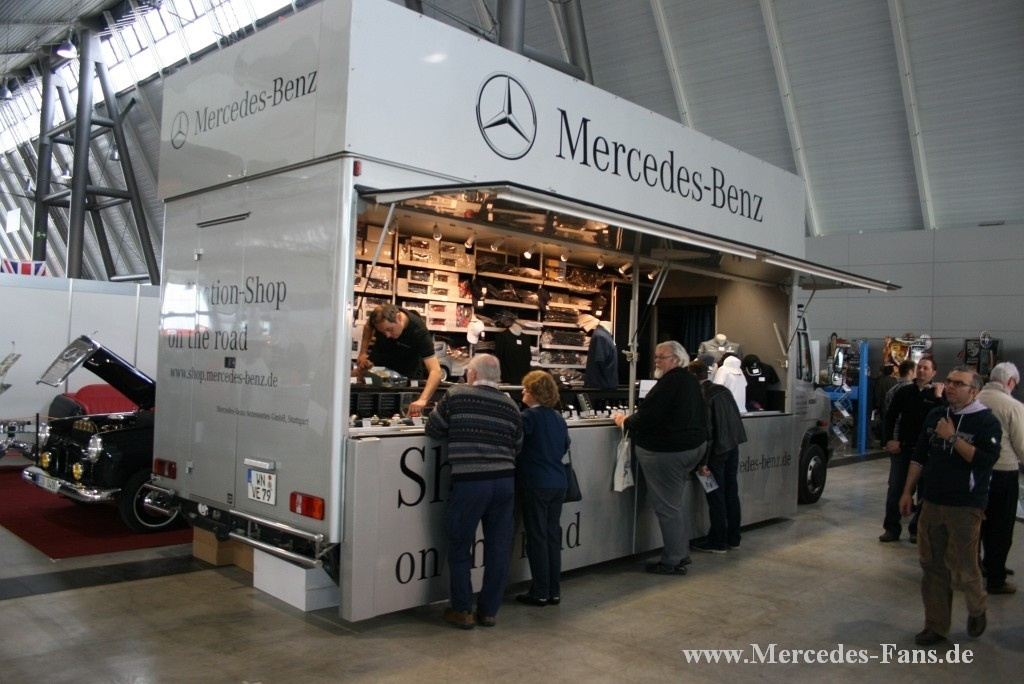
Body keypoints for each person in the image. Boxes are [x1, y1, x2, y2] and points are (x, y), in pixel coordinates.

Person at [899, 366, 1001, 646]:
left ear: (974, 391)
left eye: (959, 383)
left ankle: (977, 607)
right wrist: (907, 491)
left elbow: (985, 461)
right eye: (950, 381)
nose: (951, 387)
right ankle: (936, 625)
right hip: (932, 502)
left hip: (965, 505)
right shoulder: (936, 415)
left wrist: (952, 438)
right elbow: (920, 456)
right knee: (932, 565)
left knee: (964, 565)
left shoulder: (986, 421)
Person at [425, 354, 523, 629]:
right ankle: (489, 611)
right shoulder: (511, 405)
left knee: (459, 545)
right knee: (498, 548)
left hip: (470, 482)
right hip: (505, 482)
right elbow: (518, 444)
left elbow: (433, 428)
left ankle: (462, 610)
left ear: (472, 374)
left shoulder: (456, 395)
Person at [613, 341, 708, 574]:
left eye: (661, 357)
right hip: (692, 447)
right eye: (656, 356)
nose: (656, 361)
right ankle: (680, 553)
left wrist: (625, 421)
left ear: (675, 359)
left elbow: (648, 416)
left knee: (667, 508)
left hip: (667, 452)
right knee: (674, 505)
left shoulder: (670, 383)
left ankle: (673, 560)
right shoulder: (690, 381)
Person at [515, 370, 571, 607]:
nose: (523, 393)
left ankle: (539, 591)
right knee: (552, 537)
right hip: (558, 481)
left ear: (534, 393)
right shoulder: (557, 417)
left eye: (526, 389)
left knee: (537, 538)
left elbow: (515, 443)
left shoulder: (527, 417)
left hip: (535, 482)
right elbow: (565, 446)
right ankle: (553, 590)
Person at [880, 357, 944, 543]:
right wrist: (889, 440)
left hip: (927, 452)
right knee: (896, 488)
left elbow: (944, 417)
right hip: (904, 449)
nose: (922, 371)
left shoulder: (938, 394)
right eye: (920, 367)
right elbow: (890, 416)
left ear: (933, 372)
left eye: (926, 368)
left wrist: (939, 397)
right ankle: (891, 528)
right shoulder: (904, 391)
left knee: (925, 491)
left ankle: (917, 529)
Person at [687, 359, 747, 554]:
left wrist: (703, 462)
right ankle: (734, 538)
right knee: (731, 493)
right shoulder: (723, 390)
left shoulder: (702, 396)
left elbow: (708, 431)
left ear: (693, 377)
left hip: (716, 453)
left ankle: (718, 541)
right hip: (732, 446)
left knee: (716, 497)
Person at [975, 361, 1024, 594]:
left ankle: (975, 568)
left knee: (977, 523)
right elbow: (1021, 445)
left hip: (975, 471)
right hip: (1003, 471)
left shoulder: (975, 399)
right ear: (1010, 382)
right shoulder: (1013, 406)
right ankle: (996, 577)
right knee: (1000, 527)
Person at [357, 303, 443, 414]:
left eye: (390, 329)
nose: (387, 335)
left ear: (399, 317)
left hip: (406, 372)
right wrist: (363, 353)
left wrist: (423, 400)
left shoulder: (419, 331)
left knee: (399, 409)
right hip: (380, 365)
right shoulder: (380, 315)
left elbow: (436, 371)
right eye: (382, 332)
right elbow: (368, 327)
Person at [578, 314, 618, 389]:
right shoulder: (601, 336)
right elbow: (600, 360)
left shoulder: (603, 335)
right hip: (601, 385)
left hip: (603, 383)